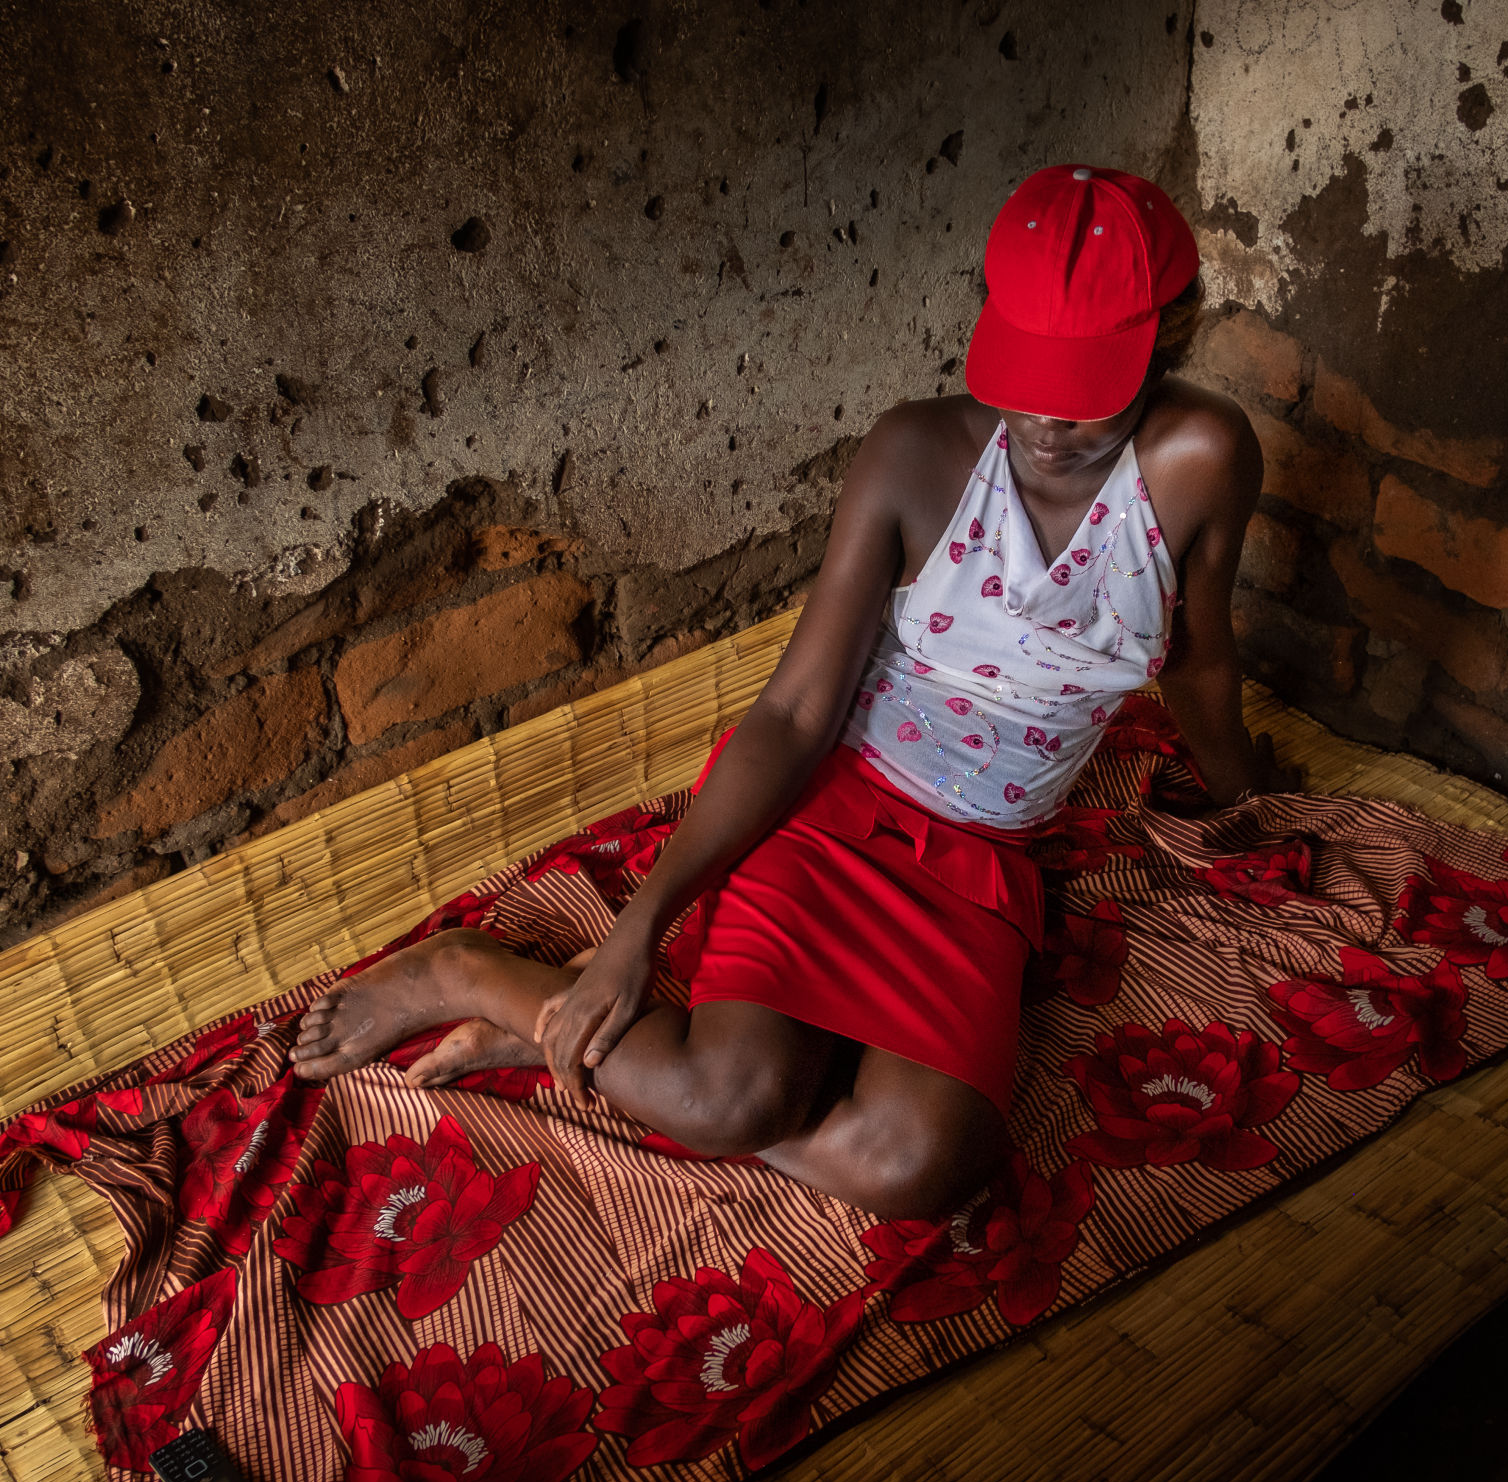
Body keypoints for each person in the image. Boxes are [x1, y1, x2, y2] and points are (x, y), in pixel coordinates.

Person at [288, 165, 1287, 1219]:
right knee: (732, 1100)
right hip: (829, 808)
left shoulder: (1201, 460)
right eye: (1023, 373)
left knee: (924, 1170)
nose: (1042, 420)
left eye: (1084, 390)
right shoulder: (917, 454)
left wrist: (1238, 795)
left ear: (1165, 345)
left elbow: (1197, 652)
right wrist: (637, 935)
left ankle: (576, 1052)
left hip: (981, 860)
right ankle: (472, 975)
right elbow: (793, 713)